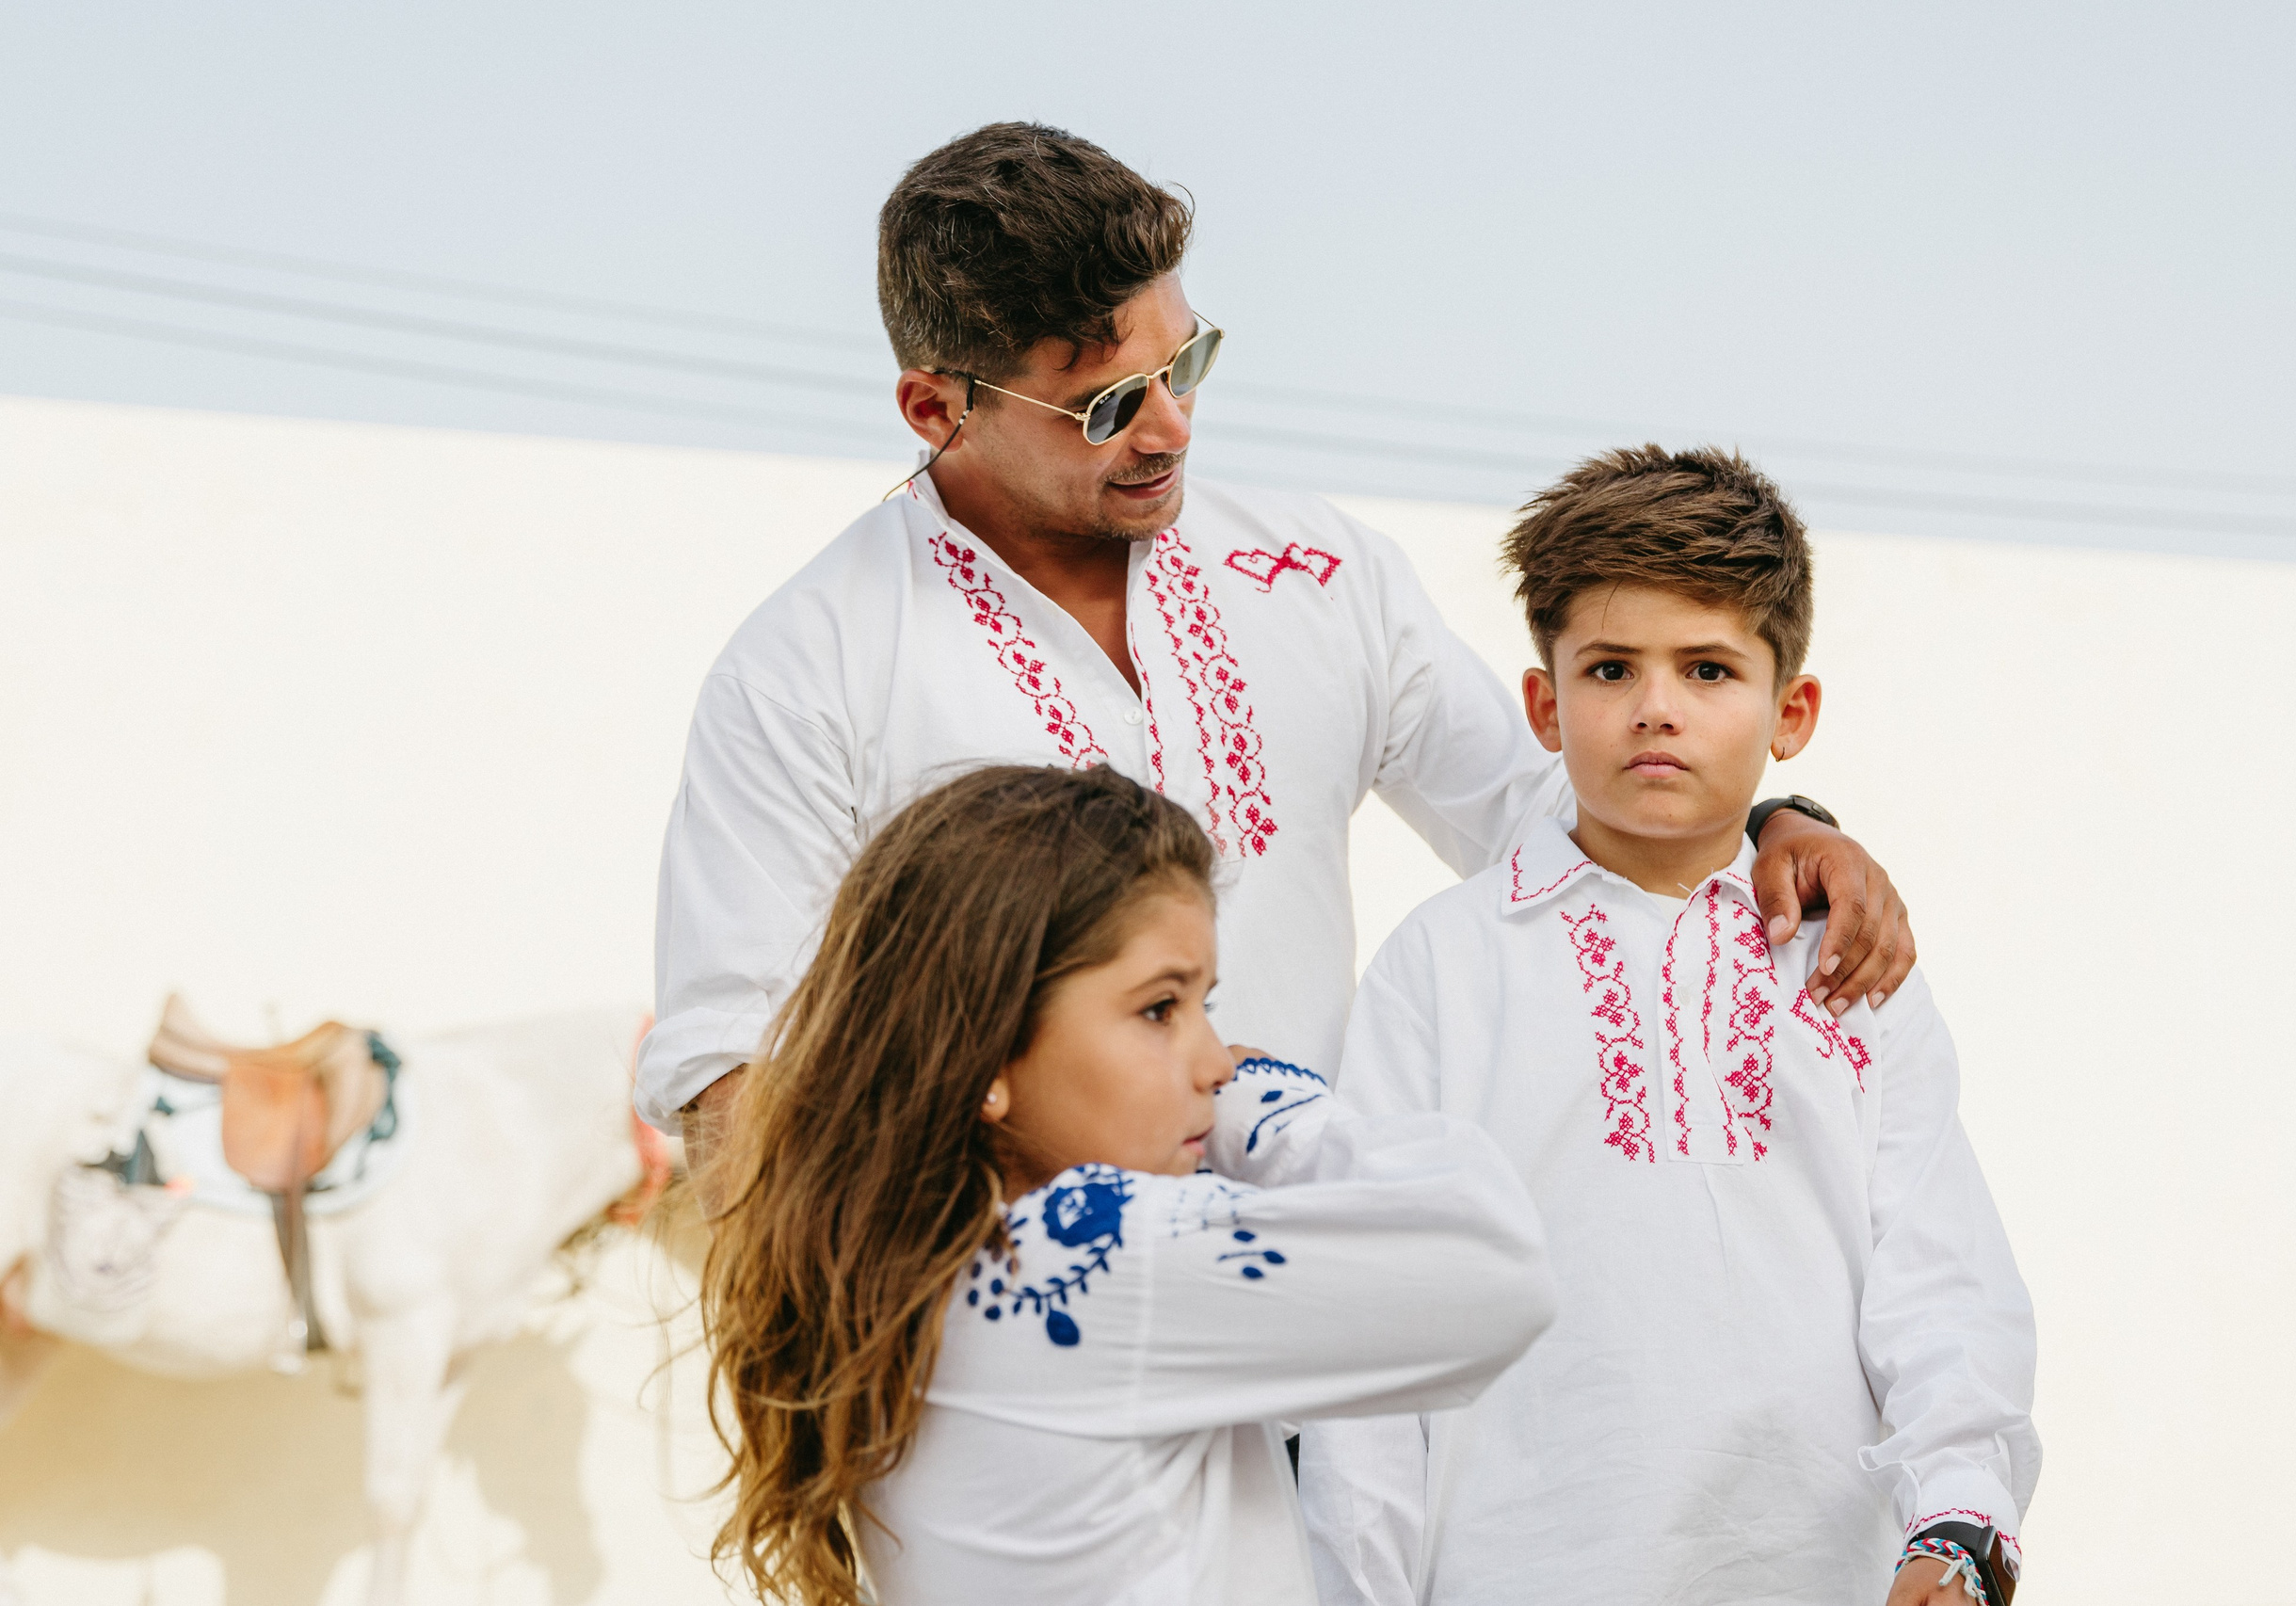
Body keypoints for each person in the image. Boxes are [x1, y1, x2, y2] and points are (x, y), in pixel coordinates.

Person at [637, 121, 1916, 1157]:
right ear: (936, 406)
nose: (1171, 431)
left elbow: (1546, 812)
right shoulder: (811, 663)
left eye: (1186, 366)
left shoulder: (1317, 574)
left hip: (1317, 1312)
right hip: (1025, 1363)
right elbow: (727, 1072)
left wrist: (1774, 825)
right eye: (1106, 409)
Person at [1299, 446, 2039, 1605]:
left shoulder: (1846, 956)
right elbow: (1377, 1335)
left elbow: (1937, 1274)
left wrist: (1958, 1521)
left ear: (1789, 711)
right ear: (1543, 704)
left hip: (1827, 1571)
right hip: (1520, 1569)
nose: (1655, 707)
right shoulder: (1443, 965)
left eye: (1706, 668)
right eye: (1607, 668)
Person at [702, 763, 1555, 1605]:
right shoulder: (1098, 1251)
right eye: (1159, 1010)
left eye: (1205, 1006)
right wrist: (1264, 1109)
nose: (1213, 1059)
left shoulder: (916, 1275)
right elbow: (1497, 1263)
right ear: (988, 1053)